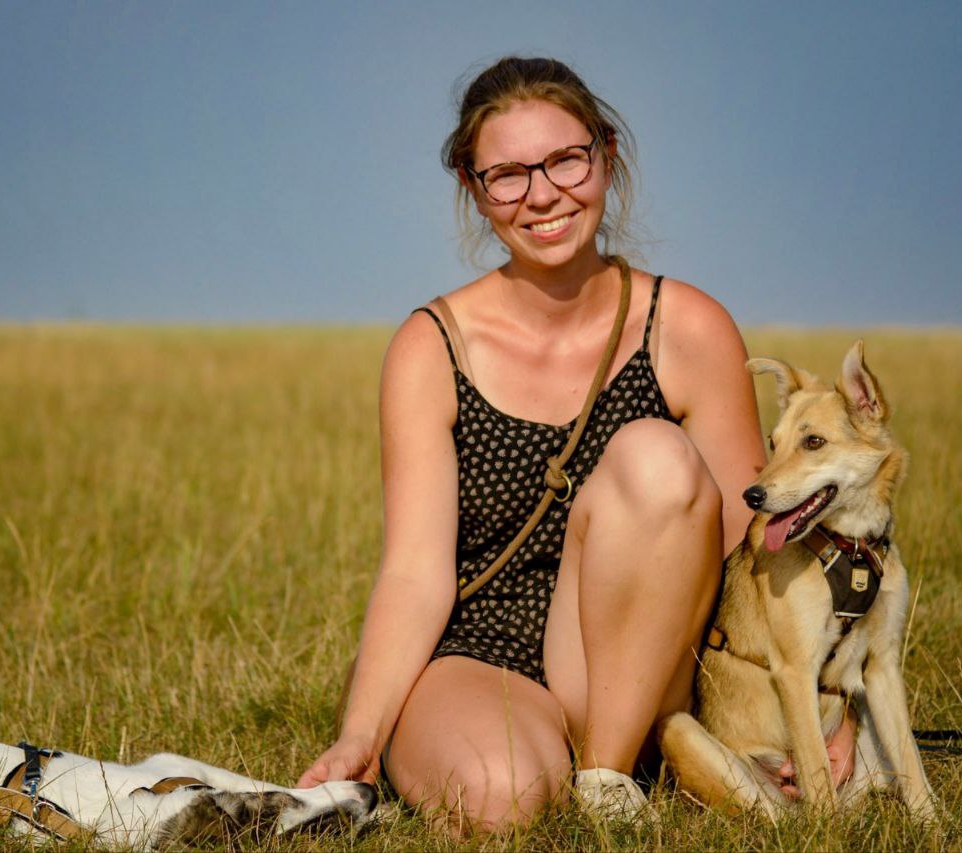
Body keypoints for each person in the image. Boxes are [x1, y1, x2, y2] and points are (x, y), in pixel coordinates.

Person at [299, 56, 854, 833]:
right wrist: (361, 731)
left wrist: (830, 707)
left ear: (607, 155)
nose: (543, 194)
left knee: (655, 456)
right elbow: (415, 572)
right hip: (483, 651)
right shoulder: (431, 346)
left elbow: (756, 553)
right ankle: (583, 768)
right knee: (499, 799)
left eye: (565, 159)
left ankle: (604, 772)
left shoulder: (686, 327)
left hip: (644, 666)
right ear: (473, 187)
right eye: (508, 174)